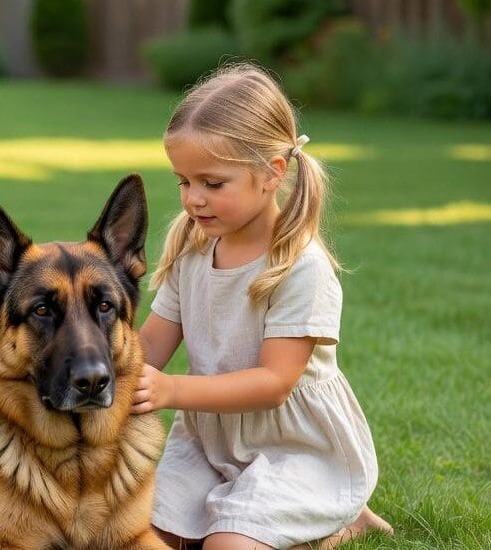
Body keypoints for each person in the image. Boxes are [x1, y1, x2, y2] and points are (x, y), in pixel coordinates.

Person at [131, 64, 393, 550]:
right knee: (139, 535)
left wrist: (170, 390)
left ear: (273, 172)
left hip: (295, 448)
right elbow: (149, 345)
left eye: (212, 183)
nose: (193, 200)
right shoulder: (190, 248)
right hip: (212, 442)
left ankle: (339, 519)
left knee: (226, 546)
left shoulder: (300, 267)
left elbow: (274, 384)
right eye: (183, 182)